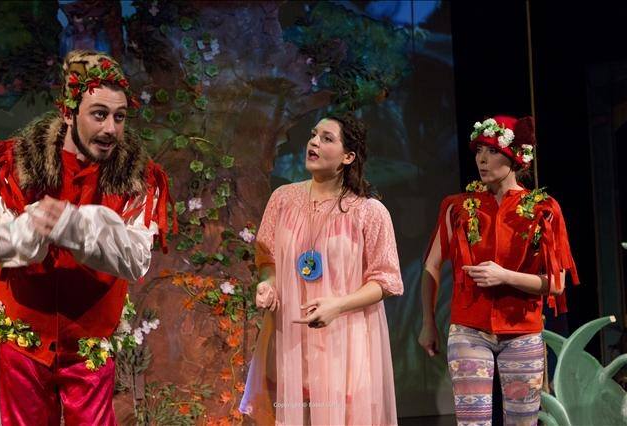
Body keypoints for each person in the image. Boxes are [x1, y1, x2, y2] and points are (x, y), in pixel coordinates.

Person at [0, 49, 174, 425]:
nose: (111, 129)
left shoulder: (137, 179)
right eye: (99, 114)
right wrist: (31, 229)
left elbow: (136, 259)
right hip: (25, 343)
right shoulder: (17, 164)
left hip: (89, 347)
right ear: (68, 113)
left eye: (119, 117)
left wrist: (76, 226)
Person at [239, 112, 404, 425]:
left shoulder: (368, 211)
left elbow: (385, 280)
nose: (313, 142)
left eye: (327, 138)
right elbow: (268, 260)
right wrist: (267, 285)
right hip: (291, 338)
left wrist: (337, 305)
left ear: (348, 156)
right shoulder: (282, 199)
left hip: (344, 342)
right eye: (313, 135)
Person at [418, 115, 579, 426]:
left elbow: (557, 283)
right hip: (469, 329)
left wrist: (505, 276)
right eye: (479, 150)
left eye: (492, 151)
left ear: (515, 157)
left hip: (522, 331)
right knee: (472, 422)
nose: (482, 159)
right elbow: (431, 265)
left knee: (522, 421)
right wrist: (428, 323)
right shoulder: (457, 207)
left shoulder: (544, 209)